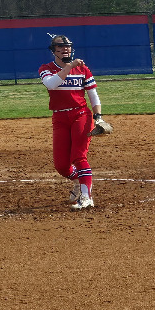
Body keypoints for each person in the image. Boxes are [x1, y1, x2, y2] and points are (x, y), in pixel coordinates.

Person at [39, 34, 103, 210]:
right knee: (61, 165)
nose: (65, 49)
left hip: (80, 114)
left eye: (67, 46)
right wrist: (69, 67)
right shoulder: (46, 68)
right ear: (54, 50)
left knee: (78, 156)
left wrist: (98, 117)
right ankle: (78, 182)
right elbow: (51, 84)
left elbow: (93, 95)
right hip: (59, 118)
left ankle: (86, 197)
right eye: (60, 47)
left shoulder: (82, 69)